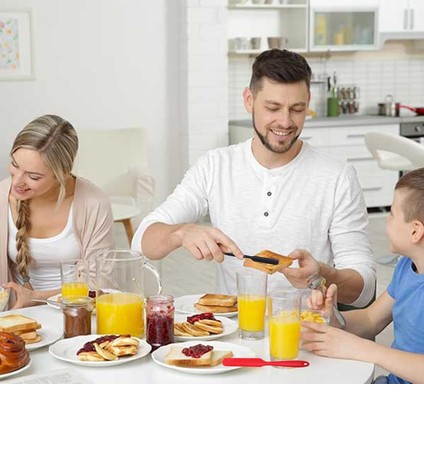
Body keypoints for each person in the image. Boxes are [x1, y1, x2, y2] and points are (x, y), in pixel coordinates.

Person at [132, 49, 376, 307]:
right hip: (236, 332)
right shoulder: (215, 166)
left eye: (297, 109)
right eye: (273, 107)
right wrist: (181, 233)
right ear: (249, 100)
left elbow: (365, 290)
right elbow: (142, 241)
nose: (285, 121)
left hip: (306, 334)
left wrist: (323, 275)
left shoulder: (337, 177)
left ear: (308, 102)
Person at [301, 168, 424, 384]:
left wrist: (363, 349)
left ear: (415, 231)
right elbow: (370, 320)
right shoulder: (407, 266)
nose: (387, 219)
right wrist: (332, 317)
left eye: (393, 213)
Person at [0, 114, 114, 309]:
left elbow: (99, 284)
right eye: (15, 165)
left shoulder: (93, 203)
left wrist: (36, 297)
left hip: (78, 314)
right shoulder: (3, 197)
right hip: (15, 318)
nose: (17, 181)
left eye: (33, 176)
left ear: (62, 174)